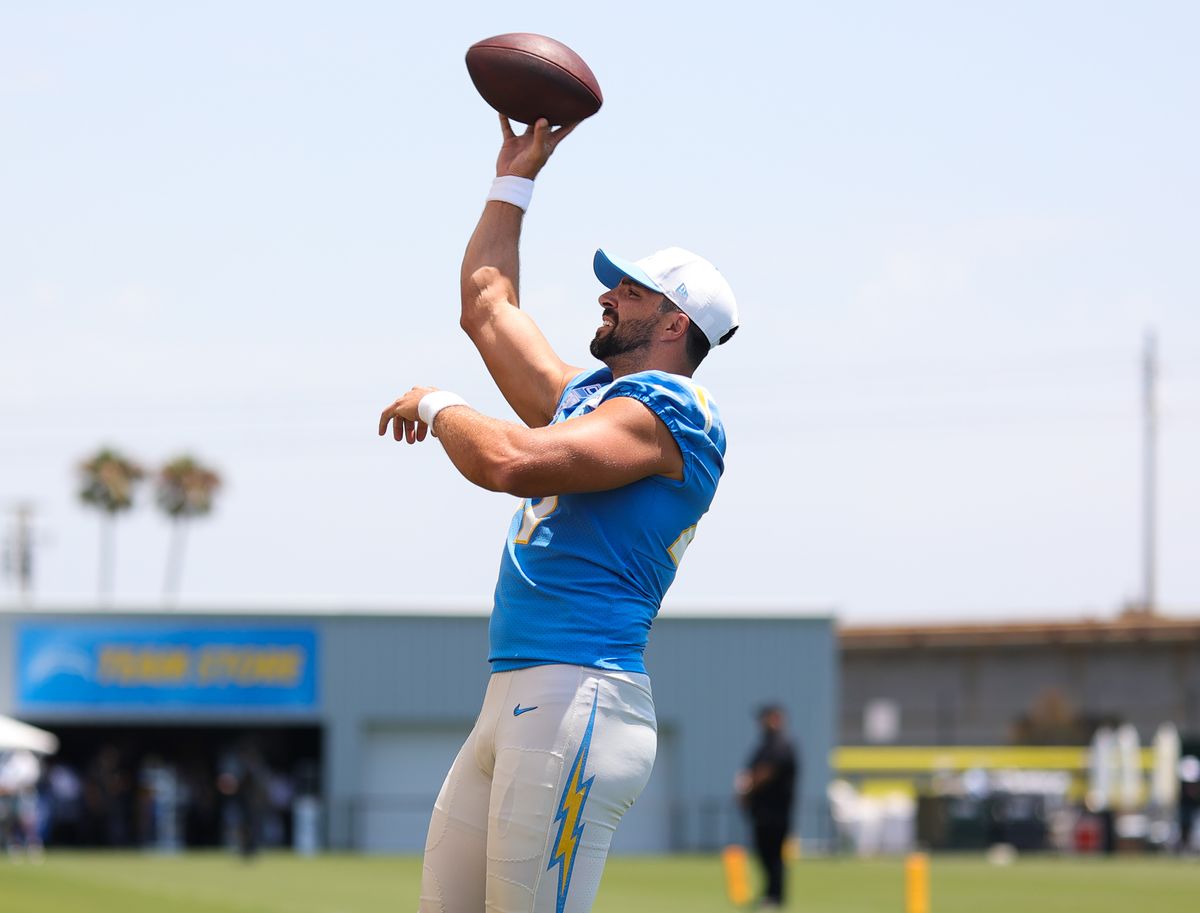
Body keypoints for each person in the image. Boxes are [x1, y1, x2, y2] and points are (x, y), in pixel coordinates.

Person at [378, 115, 738, 913]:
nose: (609, 294)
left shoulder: (674, 411)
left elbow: (506, 461)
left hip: (581, 696)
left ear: (676, 324)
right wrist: (515, 178)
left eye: (632, 290)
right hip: (515, 694)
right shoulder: (592, 395)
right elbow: (487, 305)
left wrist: (439, 404)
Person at [736, 705, 799, 909]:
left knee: (773, 856)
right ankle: (770, 893)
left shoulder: (781, 745)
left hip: (777, 812)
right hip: (762, 811)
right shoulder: (764, 745)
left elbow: (766, 772)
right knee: (764, 854)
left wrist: (747, 787)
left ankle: (775, 896)